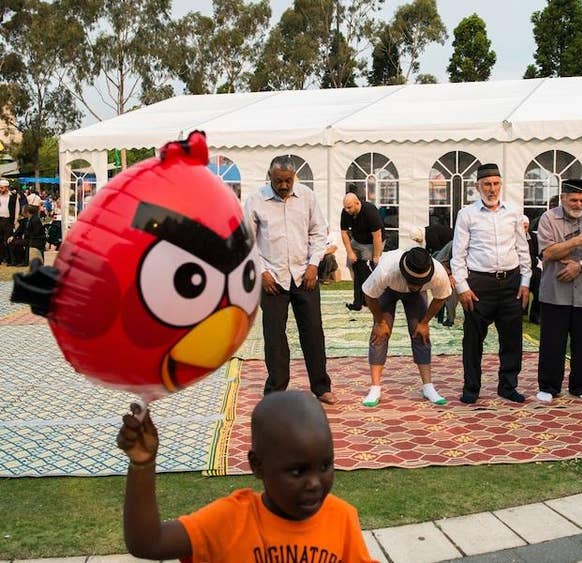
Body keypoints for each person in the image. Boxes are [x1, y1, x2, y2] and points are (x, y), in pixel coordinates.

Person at [116, 390, 376, 562]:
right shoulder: (230, 520)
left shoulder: (341, 518)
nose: (314, 483)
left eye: (325, 465)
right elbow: (148, 543)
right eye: (297, 471)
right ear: (257, 466)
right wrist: (143, 464)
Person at [246, 156, 336, 404]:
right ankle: (275, 390)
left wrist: (313, 265)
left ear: (294, 177)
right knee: (274, 335)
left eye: (288, 181)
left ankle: (321, 386)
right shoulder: (255, 200)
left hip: (304, 275)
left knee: (313, 332)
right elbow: (248, 241)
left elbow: (319, 232)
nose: (284, 186)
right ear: (269, 176)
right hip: (272, 278)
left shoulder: (307, 196)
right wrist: (262, 272)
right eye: (278, 181)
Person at [451, 163, 532, 404]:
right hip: (479, 284)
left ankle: (508, 386)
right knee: (473, 340)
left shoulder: (514, 212)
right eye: (487, 184)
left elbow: (522, 248)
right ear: (477, 186)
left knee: (512, 339)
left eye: (496, 184)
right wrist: (463, 288)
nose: (492, 189)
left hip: (510, 282)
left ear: (501, 185)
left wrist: (525, 281)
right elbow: (458, 255)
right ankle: (471, 388)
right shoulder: (466, 214)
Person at [535, 179, 582, 404]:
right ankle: (548, 386)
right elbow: (548, 253)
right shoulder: (548, 219)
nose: (578, 204)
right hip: (554, 292)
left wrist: (580, 266)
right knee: (552, 342)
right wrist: (576, 241)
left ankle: (581, 386)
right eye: (574, 200)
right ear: (563, 198)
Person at [360, 247, 452, 407]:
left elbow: (441, 298)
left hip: (415, 299)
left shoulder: (438, 273)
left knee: (421, 333)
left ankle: (428, 387)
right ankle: (375, 387)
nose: (415, 285)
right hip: (388, 290)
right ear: (403, 273)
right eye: (412, 281)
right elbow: (369, 295)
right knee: (379, 334)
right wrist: (380, 322)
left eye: (419, 282)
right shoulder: (386, 270)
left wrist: (424, 323)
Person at [340, 192, 384, 311]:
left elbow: (377, 236)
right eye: (345, 207)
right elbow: (344, 233)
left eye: (349, 207)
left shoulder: (369, 211)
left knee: (367, 269)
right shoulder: (345, 212)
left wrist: (376, 256)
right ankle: (360, 295)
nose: (346, 210)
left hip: (373, 242)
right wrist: (349, 252)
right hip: (357, 240)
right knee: (351, 264)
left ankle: (371, 299)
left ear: (357, 203)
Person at [433, 240, 459, 327]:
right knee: (451, 293)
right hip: (443, 267)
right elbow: (440, 263)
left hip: (453, 268)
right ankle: (450, 319)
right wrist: (449, 275)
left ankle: (445, 316)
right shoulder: (454, 244)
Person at [0, 179, 19, 265]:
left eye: (2, 188)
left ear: (7, 187)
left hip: (8, 220)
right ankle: (2, 258)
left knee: (8, 240)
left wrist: (15, 220)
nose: (0, 189)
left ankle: (11, 259)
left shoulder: (13, 196)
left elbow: (17, 209)